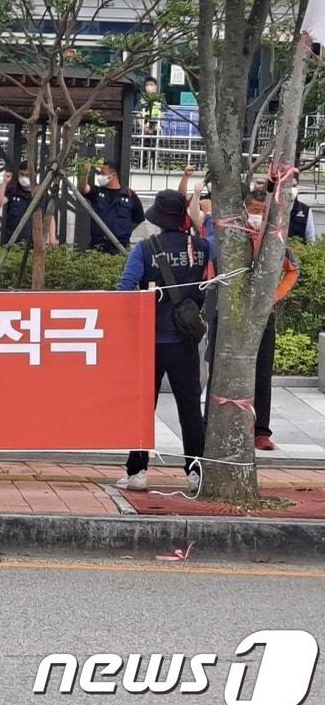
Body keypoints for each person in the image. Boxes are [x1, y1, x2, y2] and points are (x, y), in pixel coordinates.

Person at [115, 190, 211, 494]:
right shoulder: (201, 248)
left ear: (157, 215)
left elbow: (125, 289)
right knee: (189, 408)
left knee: (143, 406)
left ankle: (138, 471)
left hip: (149, 344)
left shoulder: (145, 249)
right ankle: (195, 472)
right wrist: (199, 221)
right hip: (185, 342)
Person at [205, 189, 299, 453]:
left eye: (262, 212)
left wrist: (274, 296)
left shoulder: (274, 239)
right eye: (254, 211)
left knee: (262, 373)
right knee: (218, 368)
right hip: (227, 314)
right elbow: (211, 270)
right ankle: (209, 425)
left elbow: (293, 270)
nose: (258, 216)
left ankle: (261, 431)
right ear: (245, 210)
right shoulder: (229, 236)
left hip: (262, 317)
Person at [81, 159, 144, 254]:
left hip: (120, 249)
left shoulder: (129, 195)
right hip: (97, 248)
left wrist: (123, 230)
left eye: (103, 173)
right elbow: (82, 188)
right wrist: (83, 173)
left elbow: (138, 219)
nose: (100, 176)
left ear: (113, 175)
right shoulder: (97, 192)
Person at [0, 162, 57, 247]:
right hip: (12, 244)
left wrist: (52, 237)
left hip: (35, 244)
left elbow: (49, 216)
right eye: (22, 174)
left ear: (34, 175)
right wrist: (4, 182)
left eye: (27, 175)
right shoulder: (13, 190)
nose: (24, 177)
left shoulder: (41, 193)